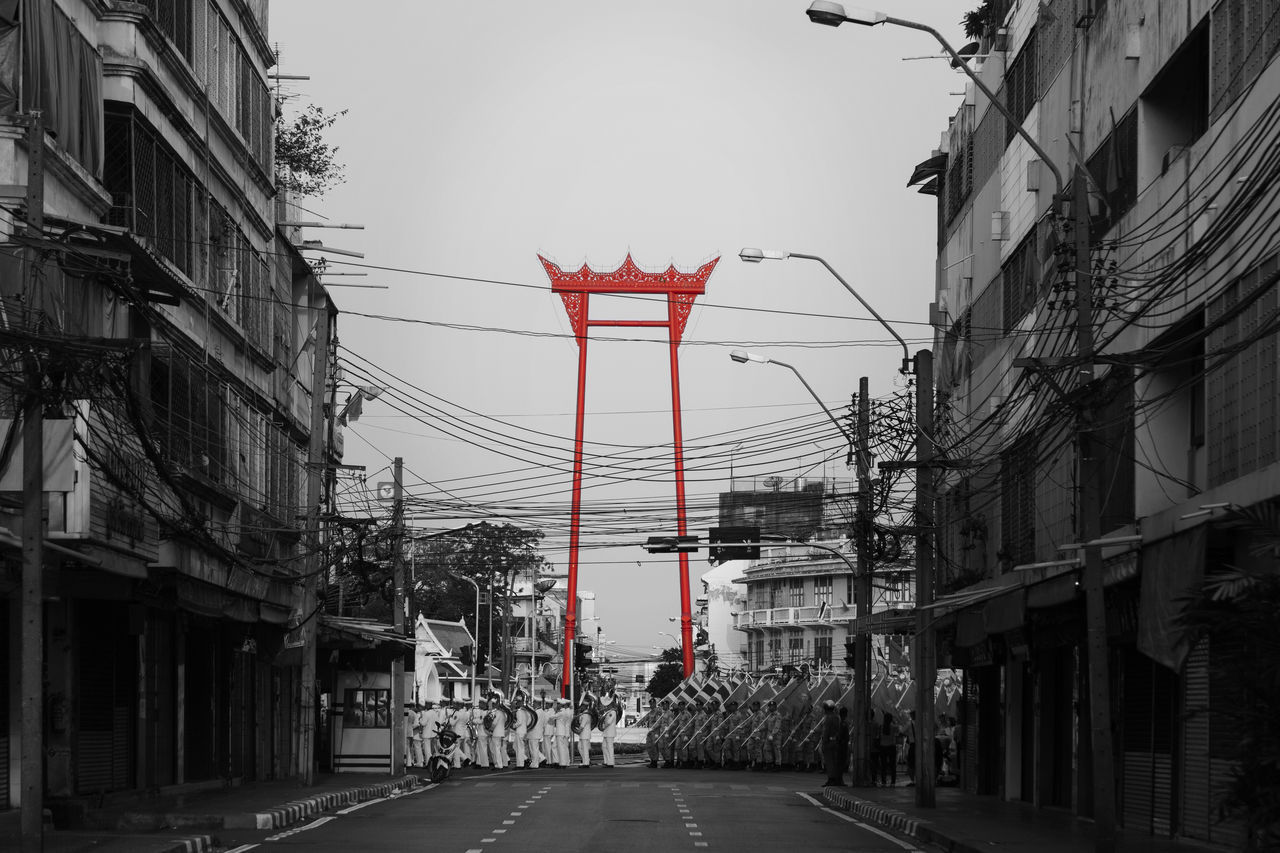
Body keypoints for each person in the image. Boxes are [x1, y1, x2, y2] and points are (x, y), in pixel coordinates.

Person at [820, 700, 844, 786]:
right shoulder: (837, 717)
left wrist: (824, 742)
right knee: (835, 761)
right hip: (835, 741)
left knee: (829, 761)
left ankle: (831, 779)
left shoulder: (827, 718)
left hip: (828, 742)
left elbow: (826, 731)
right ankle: (836, 778)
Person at [598, 688, 619, 768]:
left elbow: (608, 722)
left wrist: (603, 726)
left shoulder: (612, 712)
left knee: (609, 747)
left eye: (607, 705)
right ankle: (606, 761)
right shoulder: (608, 712)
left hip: (610, 732)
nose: (605, 706)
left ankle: (610, 762)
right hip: (606, 732)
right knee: (604, 746)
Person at [877, 711, 897, 786]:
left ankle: (883, 782)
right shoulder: (893, 727)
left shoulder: (881, 727)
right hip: (891, 747)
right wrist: (894, 721)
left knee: (883, 765)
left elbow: (879, 737)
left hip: (883, 747)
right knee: (892, 765)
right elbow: (898, 731)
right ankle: (893, 782)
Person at [573, 696, 594, 768]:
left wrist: (577, 731)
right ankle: (586, 760)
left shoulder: (586, 715)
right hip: (583, 734)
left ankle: (586, 763)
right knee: (580, 747)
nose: (580, 708)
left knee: (584, 749)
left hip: (584, 734)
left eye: (582, 706)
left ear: (585, 706)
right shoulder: (584, 714)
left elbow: (582, 726)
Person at [553, 698, 573, 768]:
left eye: (558, 704)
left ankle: (562, 763)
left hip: (561, 732)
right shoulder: (567, 712)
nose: (556, 706)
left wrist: (555, 711)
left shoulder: (561, 712)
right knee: (563, 748)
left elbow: (551, 717)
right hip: (564, 731)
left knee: (561, 748)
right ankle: (565, 762)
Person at [471, 699, 490, 768]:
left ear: (483, 704)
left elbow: (481, 721)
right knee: (479, 748)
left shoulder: (485, 712)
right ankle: (479, 763)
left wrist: (473, 720)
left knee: (483, 748)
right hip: (481, 732)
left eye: (480, 703)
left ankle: (485, 764)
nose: (479, 705)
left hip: (483, 732)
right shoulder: (483, 712)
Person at [902, 710, 918, 784]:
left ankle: (912, 780)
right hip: (920, 746)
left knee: (911, 763)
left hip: (912, 745)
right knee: (918, 762)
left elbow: (902, 731)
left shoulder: (909, 724)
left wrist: (908, 734)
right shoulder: (921, 723)